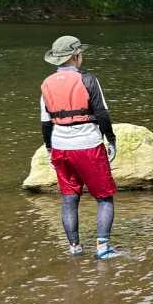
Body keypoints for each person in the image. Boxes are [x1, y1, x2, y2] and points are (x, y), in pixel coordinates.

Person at [39, 35, 119, 259]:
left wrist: (48, 147)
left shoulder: (46, 84)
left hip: (60, 147)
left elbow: (45, 122)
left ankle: (74, 247)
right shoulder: (89, 80)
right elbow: (102, 114)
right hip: (88, 146)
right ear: (75, 56)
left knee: (69, 198)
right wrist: (110, 139)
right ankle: (103, 248)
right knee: (104, 197)